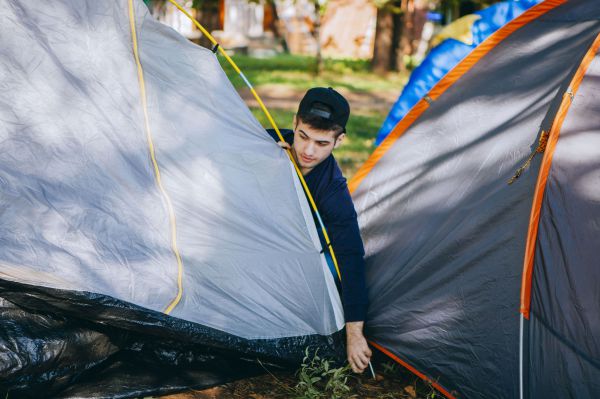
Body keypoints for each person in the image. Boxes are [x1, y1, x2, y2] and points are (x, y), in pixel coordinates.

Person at [267, 87, 372, 373]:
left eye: (322, 143)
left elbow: (350, 256)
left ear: (339, 141)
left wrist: (354, 334)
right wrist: (260, 163)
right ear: (294, 123)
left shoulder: (333, 191)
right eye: (303, 137)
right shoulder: (264, 144)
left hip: (284, 267)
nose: (308, 151)